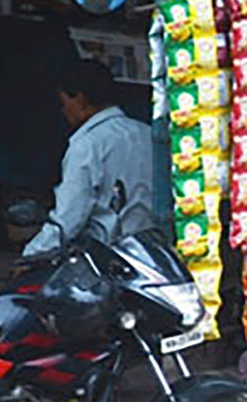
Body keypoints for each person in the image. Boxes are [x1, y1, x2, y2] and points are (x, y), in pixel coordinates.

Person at [22, 60, 154, 258]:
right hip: (156, 252)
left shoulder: (88, 145)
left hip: (111, 258)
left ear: (80, 100)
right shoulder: (147, 133)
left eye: (65, 102)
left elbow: (69, 217)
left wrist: (32, 255)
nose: (64, 111)